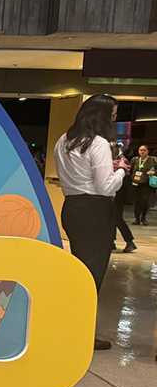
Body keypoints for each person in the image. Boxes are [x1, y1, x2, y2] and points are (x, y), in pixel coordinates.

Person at [54, 94, 129, 351]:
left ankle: (69, 326)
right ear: (102, 116)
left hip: (72, 208)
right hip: (96, 211)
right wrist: (121, 170)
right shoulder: (97, 144)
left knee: (79, 271)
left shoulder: (63, 140)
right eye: (113, 116)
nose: (114, 120)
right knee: (92, 276)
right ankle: (82, 332)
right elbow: (106, 186)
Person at [112, 142, 136, 253]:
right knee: (110, 218)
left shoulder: (122, 161)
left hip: (118, 193)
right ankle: (111, 242)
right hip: (113, 193)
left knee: (117, 218)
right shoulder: (114, 160)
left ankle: (129, 241)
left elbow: (124, 180)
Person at [129, 144, 155, 226]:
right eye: (141, 150)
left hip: (146, 184)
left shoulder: (153, 160)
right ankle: (137, 219)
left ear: (148, 151)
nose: (142, 152)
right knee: (137, 202)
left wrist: (154, 172)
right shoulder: (135, 160)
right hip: (136, 183)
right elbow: (130, 169)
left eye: (144, 150)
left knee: (145, 201)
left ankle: (143, 217)